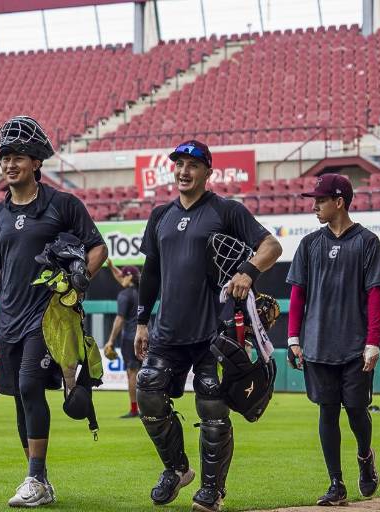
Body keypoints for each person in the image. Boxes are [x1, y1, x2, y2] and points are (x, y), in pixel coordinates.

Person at [0, 115, 108, 508]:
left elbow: (97, 248)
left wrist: (76, 285)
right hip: (9, 319)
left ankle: (35, 478)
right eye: (5, 156)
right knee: (21, 399)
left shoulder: (63, 204)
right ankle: (38, 480)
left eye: (18, 156)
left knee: (28, 386)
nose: (9, 164)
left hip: (49, 317)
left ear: (37, 162)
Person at [134, 140, 282, 512]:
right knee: (148, 391)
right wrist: (140, 321)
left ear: (207, 172)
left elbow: (271, 246)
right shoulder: (160, 216)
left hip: (213, 332)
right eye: (179, 164)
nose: (184, 171)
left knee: (213, 407)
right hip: (167, 329)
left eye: (193, 165)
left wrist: (247, 271)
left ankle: (212, 490)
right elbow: (151, 273)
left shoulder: (226, 210)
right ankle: (177, 469)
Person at [286, 174, 380, 506]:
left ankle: (364, 456)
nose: (314, 205)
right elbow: (297, 295)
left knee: (357, 411)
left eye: (320, 199)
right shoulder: (309, 244)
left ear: (339, 201)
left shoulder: (367, 242)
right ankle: (336, 484)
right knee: (327, 413)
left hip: (355, 346)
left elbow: (375, 295)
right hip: (317, 344)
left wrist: (373, 341)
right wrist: (292, 337)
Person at [103, 260, 141, 418]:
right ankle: (155, 408)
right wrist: (112, 267)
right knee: (150, 374)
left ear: (129, 277)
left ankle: (134, 410)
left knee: (132, 373)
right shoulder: (143, 291)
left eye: (123, 276)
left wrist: (110, 340)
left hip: (131, 338)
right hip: (148, 336)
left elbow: (119, 320)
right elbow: (121, 276)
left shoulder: (124, 295)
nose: (119, 279)